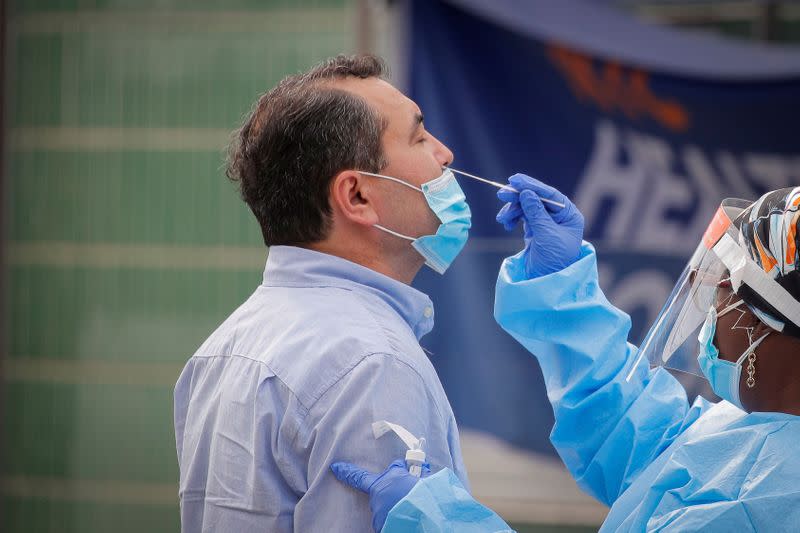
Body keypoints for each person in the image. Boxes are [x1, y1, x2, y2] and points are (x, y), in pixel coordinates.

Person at [332, 178, 800, 532]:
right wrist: (562, 295)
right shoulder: (758, 431)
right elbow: (653, 447)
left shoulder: (767, 499)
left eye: (728, 287)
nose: (715, 298)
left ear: (772, 323)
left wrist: (436, 523)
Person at [173, 54, 472, 532]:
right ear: (356, 196)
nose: (444, 153)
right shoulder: (372, 365)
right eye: (418, 136)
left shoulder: (223, 346)